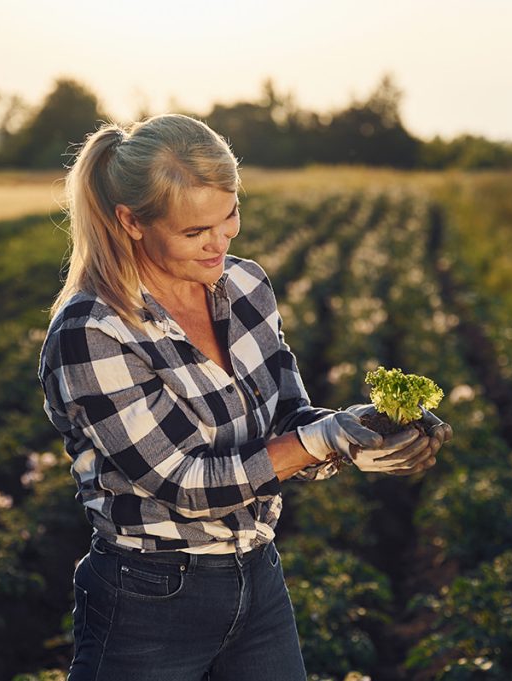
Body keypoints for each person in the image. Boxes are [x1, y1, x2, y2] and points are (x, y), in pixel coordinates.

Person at [36, 113, 453, 681]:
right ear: (131, 221)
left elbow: (287, 417)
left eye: (229, 215)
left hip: (258, 578)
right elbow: (184, 483)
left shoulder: (246, 286)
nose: (221, 241)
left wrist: (363, 433)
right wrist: (316, 440)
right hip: (151, 598)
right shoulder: (94, 332)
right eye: (194, 232)